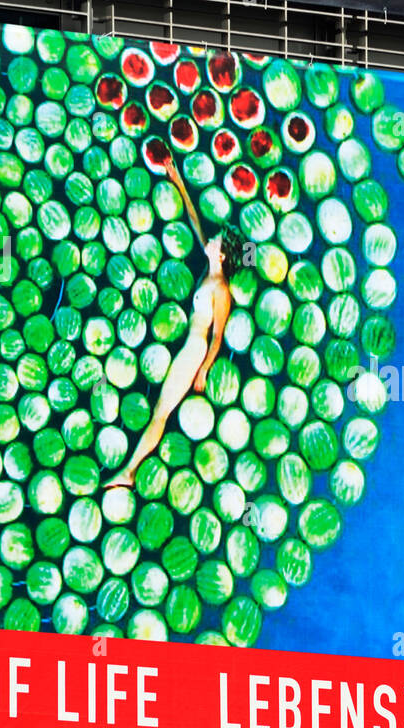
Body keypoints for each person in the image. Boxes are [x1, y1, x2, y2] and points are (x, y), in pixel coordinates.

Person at [104, 161, 240, 489]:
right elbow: (193, 219)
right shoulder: (208, 272)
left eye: (217, 240)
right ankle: (130, 471)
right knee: (158, 408)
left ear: (222, 255)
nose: (211, 240)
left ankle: (130, 472)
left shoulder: (220, 290)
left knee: (161, 412)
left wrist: (204, 370)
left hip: (193, 351)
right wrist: (177, 178)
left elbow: (218, 335)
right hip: (186, 348)